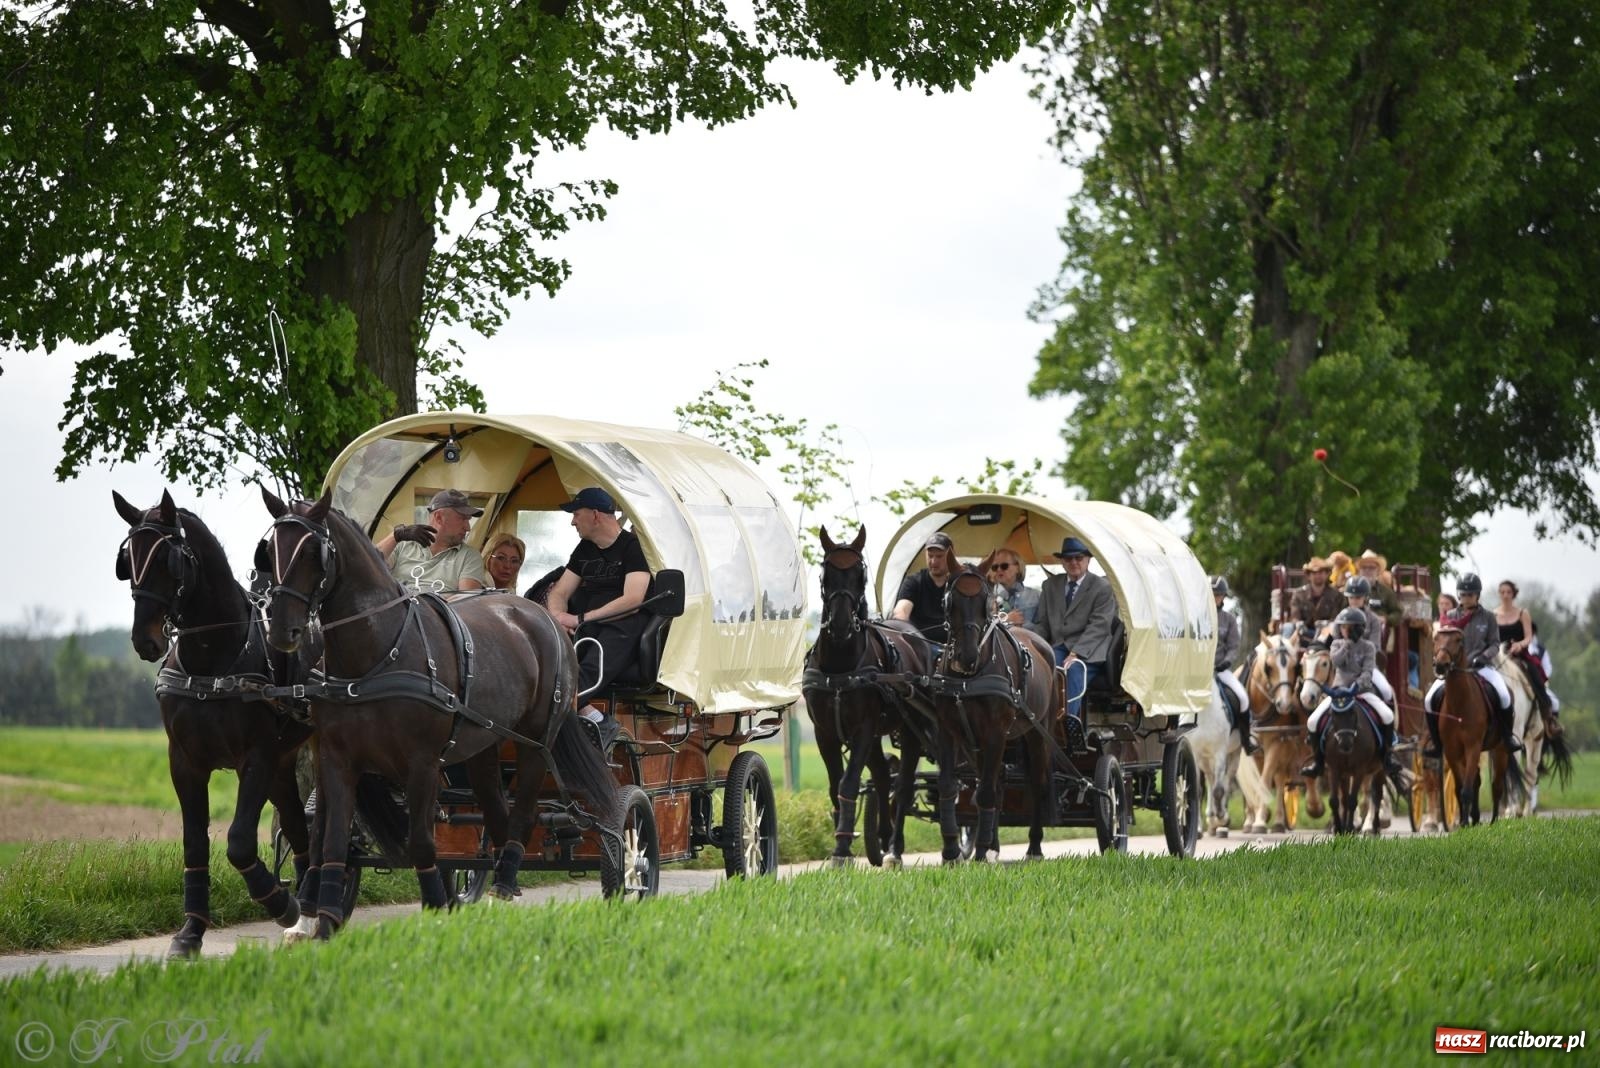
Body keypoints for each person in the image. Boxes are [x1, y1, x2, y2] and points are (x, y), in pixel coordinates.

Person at [544, 487, 651, 748]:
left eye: (576, 514)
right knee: (548, 664)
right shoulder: (585, 549)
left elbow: (633, 600)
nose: (572, 521)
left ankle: (591, 723)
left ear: (594, 515)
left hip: (623, 625)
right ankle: (593, 717)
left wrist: (580, 618)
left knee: (587, 672)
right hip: (586, 625)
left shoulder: (633, 548)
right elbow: (560, 590)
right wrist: (558, 616)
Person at [1423, 573, 1522, 757]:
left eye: (1470, 595)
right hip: (1454, 670)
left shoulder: (1488, 617)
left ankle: (1507, 737)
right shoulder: (1450, 616)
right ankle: (1435, 743)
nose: (1466, 598)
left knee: (1504, 695)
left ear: (1477, 596)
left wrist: (1483, 657)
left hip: (1481, 667)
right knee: (1429, 699)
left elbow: (1494, 644)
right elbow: (1442, 642)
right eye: (1462, 595)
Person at [1301, 607, 1402, 778]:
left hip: (1362, 691)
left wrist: (1357, 685)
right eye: (1342, 627)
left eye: (1348, 627)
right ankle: (1318, 762)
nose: (1344, 630)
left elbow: (1368, 671)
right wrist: (1347, 645)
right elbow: (1337, 661)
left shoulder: (1368, 647)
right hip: (1339, 692)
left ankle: (1387, 757)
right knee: (1312, 721)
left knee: (1387, 716)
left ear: (1359, 629)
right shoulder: (1335, 645)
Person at [1037, 536, 1117, 748]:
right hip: (1057, 647)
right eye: (1069, 558)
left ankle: (1064, 726)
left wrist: (1076, 653)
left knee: (1070, 671)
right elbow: (1042, 624)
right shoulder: (1050, 586)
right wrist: (1027, 642)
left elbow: (1099, 626)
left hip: (1089, 651)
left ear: (1088, 560)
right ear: (1062, 562)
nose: (1074, 563)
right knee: (1035, 669)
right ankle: (1034, 724)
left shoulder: (1102, 588)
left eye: (1079, 558)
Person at [376, 489, 488, 592]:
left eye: (468, 520)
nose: (468, 528)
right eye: (462, 518)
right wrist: (396, 535)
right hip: (397, 611)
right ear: (439, 517)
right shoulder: (403, 544)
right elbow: (368, 564)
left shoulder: (469, 556)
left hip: (438, 613)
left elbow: (465, 603)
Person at [1494, 580, 1557, 729]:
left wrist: (1519, 645)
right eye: (1502, 592)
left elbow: (1529, 637)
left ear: (1513, 594)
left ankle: (1547, 715)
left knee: (1535, 674)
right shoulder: (1493, 614)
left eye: (1508, 592)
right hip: (1499, 655)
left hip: (1519, 654)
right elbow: (1491, 637)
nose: (1505, 595)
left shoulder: (1523, 613)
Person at [1211, 576, 1257, 754]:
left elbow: (1233, 646)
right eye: (1213, 594)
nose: (1215, 598)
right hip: (1200, 672)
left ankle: (1246, 741)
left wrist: (1226, 662)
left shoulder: (1229, 619)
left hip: (1221, 670)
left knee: (1243, 698)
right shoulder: (1199, 617)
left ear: (1223, 597)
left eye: (1219, 595)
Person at [892, 532, 959, 642]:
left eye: (939, 556)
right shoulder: (913, 582)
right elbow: (902, 610)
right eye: (930, 556)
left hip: (952, 649)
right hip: (919, 648)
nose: (933, 561)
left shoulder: (959, 584)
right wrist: (899, 623)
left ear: (951, 556)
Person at [987, 548, 1040, 628]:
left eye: (1004, 566)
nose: (998, 569)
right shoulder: (988, 598)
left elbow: (1044, 626)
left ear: (1018, 568)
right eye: (995, 567)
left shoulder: (1036, 596)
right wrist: (1006, 620)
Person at [1290, 557, 1344, 629]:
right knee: (1288, 627)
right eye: (1314, 573)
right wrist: (1298, 624)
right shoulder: (1299, 594)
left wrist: (1327, 625)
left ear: (1327, 574)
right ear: (1309, 575)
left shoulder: (1336, 595)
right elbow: (1295, 616)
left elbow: (1336, 618)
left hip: (1327, 634)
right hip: (1303, 632)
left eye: (1321, 572)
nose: (1318, 576)